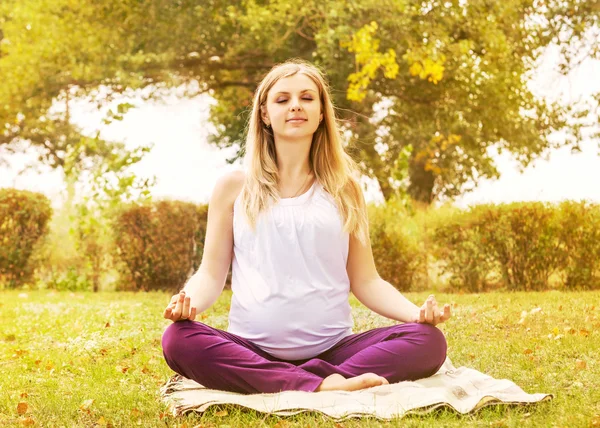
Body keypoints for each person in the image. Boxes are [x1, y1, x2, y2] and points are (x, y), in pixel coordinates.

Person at [161, 59, 451, 394]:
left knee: (428, 341)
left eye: (307, 98)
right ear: (265, 114)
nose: (296, 105)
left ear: (322, 112)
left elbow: (366, 280)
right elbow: (211, 274)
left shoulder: (345, 188)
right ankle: (323, 385)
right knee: (179, 339)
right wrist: (188, 302)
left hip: (335, 352)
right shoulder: (233, 187)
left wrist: (416, 315)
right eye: (282, 99)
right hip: (253, 349)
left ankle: (300, 380)